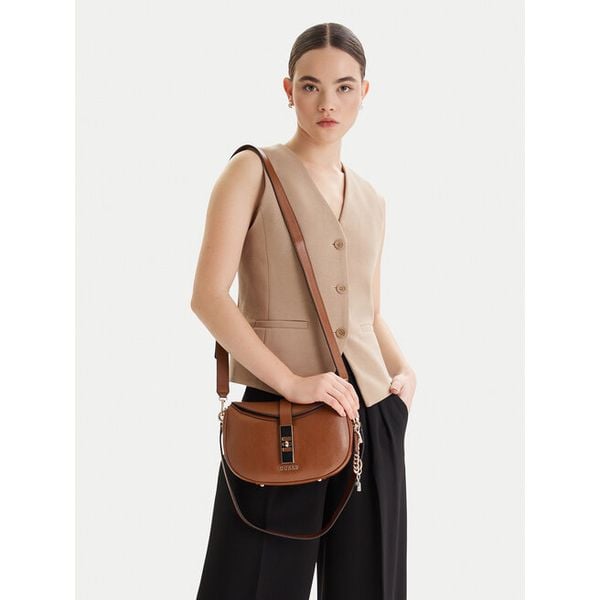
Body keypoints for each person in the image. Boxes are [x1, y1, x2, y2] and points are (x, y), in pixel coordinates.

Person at [190, 22, 417, 600]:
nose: (327, 103)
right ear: (288, 89)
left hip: (370, 416)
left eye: (344, 87)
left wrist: (403, 374)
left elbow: (369, 312)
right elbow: (208, 296)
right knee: (254, 586)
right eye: (311, 86)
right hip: (280, 416)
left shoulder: (372, 200)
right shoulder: (252, 171)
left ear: (365, 92)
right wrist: (292, 381)